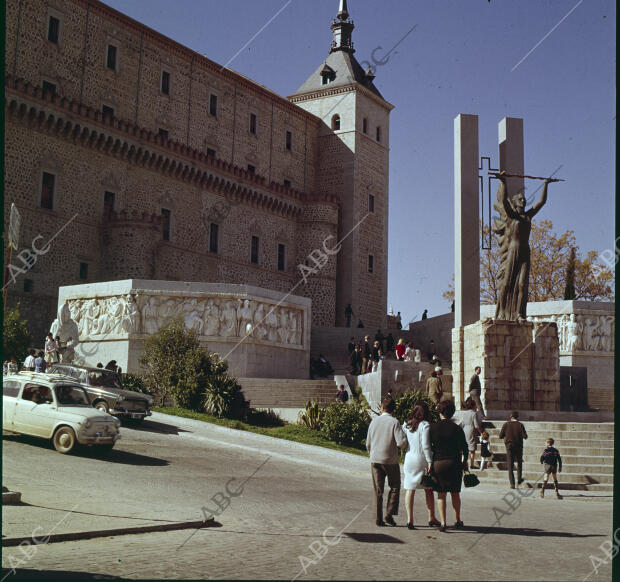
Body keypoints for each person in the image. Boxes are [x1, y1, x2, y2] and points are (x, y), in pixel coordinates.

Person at [366, 397, 408, 527]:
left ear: (382, 408)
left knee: (378, 490)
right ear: (393, 409)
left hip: (375, 459)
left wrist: (372, 453)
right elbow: (401, 442)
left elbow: (368, 443)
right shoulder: (394, 422)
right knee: (395, 486)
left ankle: (378, 518)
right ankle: (389, 514)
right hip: (390, 460)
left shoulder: (374, 421)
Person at [429, 399, 468, 532]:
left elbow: (429, 447)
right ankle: (457, 519)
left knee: (441, 494)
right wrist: (465, 461)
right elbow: (465, 447)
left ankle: (444, 522)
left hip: (438, 463)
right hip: (454, 463)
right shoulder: (457, 428)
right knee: (455, 493)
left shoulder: (433, 427)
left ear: (440, 411)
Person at [402, 402, 440, 529]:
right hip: (421, 458)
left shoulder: (406, 424)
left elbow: (404, 440)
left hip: (409, 458)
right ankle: (431, 517)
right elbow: (425, 445)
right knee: (428, 488)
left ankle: (410, 520)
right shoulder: (425, 425)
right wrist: (430, 461)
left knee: (410, 488)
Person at [499, 411, 528, 488]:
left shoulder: (506, 424)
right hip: (518, 446)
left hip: (509, 446)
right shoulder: (520, 425)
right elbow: (525, 436)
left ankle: (512, 484)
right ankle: (519, 479)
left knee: (510, 465)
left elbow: (500, 436)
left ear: (510, 417)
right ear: (517, 417)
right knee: (519, 463)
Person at [455, 397, 481, 469]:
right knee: (472, 449)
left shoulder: (464, 413)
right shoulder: (473, 414)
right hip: (471, 430)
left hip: (464, 430)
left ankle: (463, 462)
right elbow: (476, 425)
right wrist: (481, 432)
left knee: (464, 447)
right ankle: (471, 464)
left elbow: (462, 423)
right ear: (473, 406)